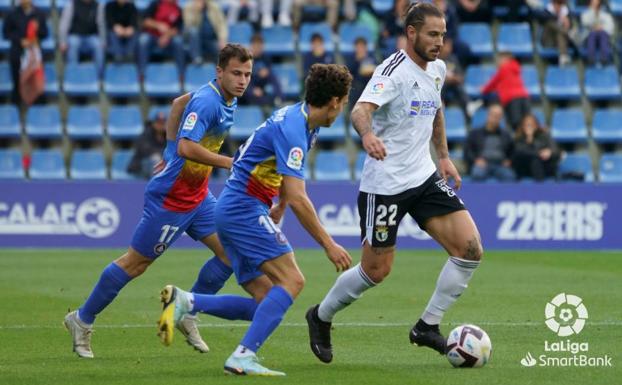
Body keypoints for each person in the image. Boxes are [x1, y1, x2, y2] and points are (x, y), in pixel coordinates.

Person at [305, 2, 483, 363]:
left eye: (443, 35)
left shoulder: (437, 69)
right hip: (385, 185)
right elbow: (359, 110)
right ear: (412, 33)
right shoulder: (393, 71)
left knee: (470, 249)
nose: (439, 42)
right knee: (376, 271)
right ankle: (320, 315)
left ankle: (427, 327)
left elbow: (435, 109)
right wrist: (368, 136)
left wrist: (443, 156)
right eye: (433, 34)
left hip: (423, 176)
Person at [156, 63, 353, 376]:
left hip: (236, 208)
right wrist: (328, 244)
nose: (342, 110)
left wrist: (280, 206)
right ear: (334, 102)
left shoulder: (302, 122)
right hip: (242, 210)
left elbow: (286, 178)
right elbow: (300, 195)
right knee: (293, 281)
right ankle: (242, 356)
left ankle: (187, 301)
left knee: (265, 299)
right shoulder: (294, 128)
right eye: (343, 103)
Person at [64, 44, 254, 359]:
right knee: (135, 264)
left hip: (198, 196)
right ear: (219, 71)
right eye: (236, 73)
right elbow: (187, 148)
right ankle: (81, 320)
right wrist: (227, 162)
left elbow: (177, 104)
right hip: (172, 198)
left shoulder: (223, 98)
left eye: (247, 74)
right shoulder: (209, 101)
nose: (243, 80)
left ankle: (188, 312)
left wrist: (167, 150)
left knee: (230, 253)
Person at [2, 0, 48, 105]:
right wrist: (20, 40)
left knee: (38, 66)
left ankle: (38, 101)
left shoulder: (39, 14)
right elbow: (6, 33)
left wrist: (36, 36)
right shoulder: (12, 13)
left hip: (34, 50)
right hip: (19, 49)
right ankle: (17, 99)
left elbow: (44, 33)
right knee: (15, 59)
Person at [464, 103, 516, 182]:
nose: (496, 118)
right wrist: (476, 160)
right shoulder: (475, 133)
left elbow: (513, 151)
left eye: (499, 116)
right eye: (494, 115)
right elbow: (468, 151)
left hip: (500, 165)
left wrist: (509, 160)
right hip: (482, 164)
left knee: (510, 176)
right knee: (477, 174)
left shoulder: (506, 135)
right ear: (488, 115)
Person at [481, 52, 530, 131]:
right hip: (524, 97)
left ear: (505, 59)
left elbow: (493, 82)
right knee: (527, 121)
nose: (497, 62)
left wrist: (484, 89)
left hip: (511, 99)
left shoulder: (504, 69)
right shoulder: (515, 68)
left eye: (499, 60)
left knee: (515, 123)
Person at [137, 0, 185, 79]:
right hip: (152, 36)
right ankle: (142, 73)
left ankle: (181, 75)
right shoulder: (156, 4)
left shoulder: (178, 9)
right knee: (143, 39)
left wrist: (167, 36)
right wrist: (158, 25)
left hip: (168, 39)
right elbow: (145, 21)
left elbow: (177, 29)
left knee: (178, 41)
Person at [59, 0, 105, 77]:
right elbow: (64, 25)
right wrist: (63, 41)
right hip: (75, 36)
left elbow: (101, 25)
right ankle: (73, 75)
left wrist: (103, 40)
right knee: (73, 44)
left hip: (91, 36)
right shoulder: (71, 5)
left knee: (98, 45)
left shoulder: (98, 6)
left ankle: (99, 77)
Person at [512, 113, 560, 181]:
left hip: (544, 167)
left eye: (531, 124)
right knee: (535, 160)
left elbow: (556, 151)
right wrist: (529, 139)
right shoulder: (519, 138)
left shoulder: (544, 136)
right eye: (527, 125)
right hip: (525, 168)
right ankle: (539, 188)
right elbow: (519, 152)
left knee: (539, 162)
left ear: (537, 125)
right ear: (522, 126)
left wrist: (550, 152)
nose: (529, 127)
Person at [239, 34, 282, 108]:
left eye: (260, 47)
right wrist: (253, 90)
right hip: (248, 89)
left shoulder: (265, 58)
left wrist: (267, 72)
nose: (258, 49)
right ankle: (268, 103)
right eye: (256, 46)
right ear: (251, 46)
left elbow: (270, 74)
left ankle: (279, 99)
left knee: (272, 76)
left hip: (261, 87)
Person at [184, 0, 228, 64]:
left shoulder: (214, 6)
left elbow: (221, 24)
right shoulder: (188, 7)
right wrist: (197, 11)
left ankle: (220, 71)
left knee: (224, 53)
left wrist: (222, 38)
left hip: (211, 39)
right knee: (193, 31)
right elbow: (188, 25)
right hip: (196, 40)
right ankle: (197, 58)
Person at [127, 111, 167, 179]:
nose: (160, 125)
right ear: (153, 123)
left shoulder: (168, 136)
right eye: (158, 123)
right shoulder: (146, 134)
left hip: (160, 165)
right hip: (141, 165)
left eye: (162, 123)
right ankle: (155, 186)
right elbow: (145, 150)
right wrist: (160, 154)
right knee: (156, 159)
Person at [580, 0, 614, 66]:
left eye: (596, 3)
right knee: (592, 34)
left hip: (603, 36)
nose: (595, 5)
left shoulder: (605, 13)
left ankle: (604, 58)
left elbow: (610, 26)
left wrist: (601, 28)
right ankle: (591, 58)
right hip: (590, 36)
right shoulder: (586, 13)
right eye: (593, 3)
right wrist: (592, 12)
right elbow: (585, 22)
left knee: (603, 34)